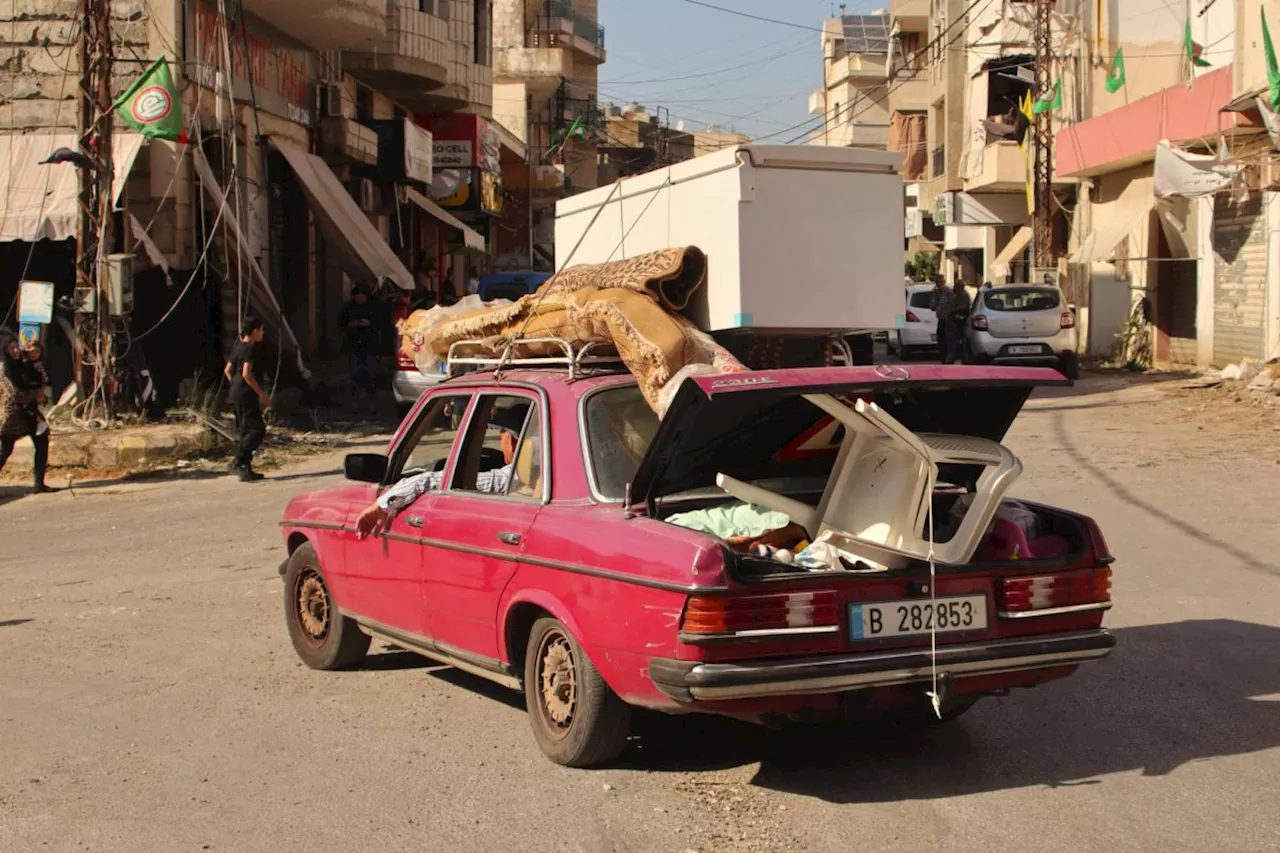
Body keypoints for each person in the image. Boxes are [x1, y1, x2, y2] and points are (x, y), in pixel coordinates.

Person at [355, 405, 527, 539]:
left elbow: (435, 480)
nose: (501, 443)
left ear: (512, 441)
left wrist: (381, 505)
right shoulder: (536, 475)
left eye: (501, 436)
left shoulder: (515, 477)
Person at [0, 334, 57, 494]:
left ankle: (39, 483)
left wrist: (39, 394)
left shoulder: (20, 365)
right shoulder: (5, 369)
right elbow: (14, 394)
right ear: (5, 350)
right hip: (12, 417)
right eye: (11, 348)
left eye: (16, 346)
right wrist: (36, 394)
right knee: (5, 450)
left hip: (29, 413)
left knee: (41, 441)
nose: (16, 350)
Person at [223, 316, 271, 482]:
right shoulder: (250, 348)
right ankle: (237, 461)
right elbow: (246, 373)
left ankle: (246, 466)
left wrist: (236, 386)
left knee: (245, 430)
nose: (263, 333)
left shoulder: (238, 346)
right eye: (262, 330)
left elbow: (228, 370)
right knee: (256, 430)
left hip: (237, 393)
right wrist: (261, 394)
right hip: (246, 394)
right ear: (255, 330)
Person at [340, 284, 379, 408]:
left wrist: (370, 324)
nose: (360, 299)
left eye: (362, 297)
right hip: (353, 345)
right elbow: (341, 325)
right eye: (357, 297)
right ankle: (355, 402)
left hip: (370, 345)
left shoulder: (374, 307)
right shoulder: (348, 308)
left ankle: (371, 401)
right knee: (355, 374)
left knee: (371, 374)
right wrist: (353, 324)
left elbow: (382, 324)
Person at [930, 274, 959, 364]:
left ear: (944, 282)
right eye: (937, 282)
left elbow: (955, 303)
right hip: (941, 320)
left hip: (948, 320)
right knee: (941, 341)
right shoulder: (936, 293)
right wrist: (936, 297)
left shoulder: (948, 292)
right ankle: (943, 359)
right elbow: (932, 307)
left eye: (941, 282)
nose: (939, 284)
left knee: (948, 342)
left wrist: (951, 312)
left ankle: (949, 360)